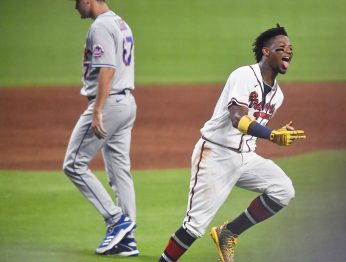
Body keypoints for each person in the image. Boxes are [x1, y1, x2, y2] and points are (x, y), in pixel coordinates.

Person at [159, 24, 306, 262]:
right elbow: (238, 118)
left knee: (283, 190)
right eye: (281, 47)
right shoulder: (244, 75)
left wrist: (277, 135)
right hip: (215, 154)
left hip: (246, 157)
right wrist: (271, 135)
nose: (288, 51)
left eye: (291, 48)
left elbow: (253, 126)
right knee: (194, 227)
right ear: (266, 52)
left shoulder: (278, 94)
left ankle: (228, 233)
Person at [63, 0, 138, 257]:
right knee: (120, 171)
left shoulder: (101, 26)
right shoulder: (120, 23)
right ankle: (127, 241)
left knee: (73, 164)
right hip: (127, 102)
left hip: (109, 103)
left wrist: (97, 109)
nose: (74, 7)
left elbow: (107, 68)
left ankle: (117, 220)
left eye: (76, 2)